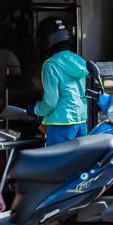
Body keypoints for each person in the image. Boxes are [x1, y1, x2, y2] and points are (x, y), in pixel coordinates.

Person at [28, 17, 89, 147]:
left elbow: (51, 101)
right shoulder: (78, 60)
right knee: (79, 163)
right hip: (81, 121)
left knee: (58, 164)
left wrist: (36, 109)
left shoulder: (51, 64)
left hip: (60, 123)